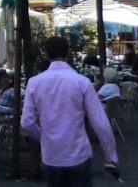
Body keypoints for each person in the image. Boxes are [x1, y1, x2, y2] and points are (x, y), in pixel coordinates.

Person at [22, 36, 119, 185]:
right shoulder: (82, 82)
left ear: (47, 55)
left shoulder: (34, 83)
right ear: (68, 53)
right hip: (78, 152)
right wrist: (111, 156)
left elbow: (27, 122)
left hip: (51, 155)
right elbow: (100, 122)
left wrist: (44, 137)